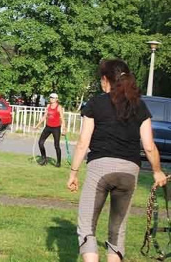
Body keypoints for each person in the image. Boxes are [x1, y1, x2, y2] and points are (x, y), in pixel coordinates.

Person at [67, 59, 167, 262]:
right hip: (129, 173)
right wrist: (157, 171)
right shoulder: (139, 106)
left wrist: (74, 172)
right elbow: (148, 145)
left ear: (105, 80)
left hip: (100, 170)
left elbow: (83, 142)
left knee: (87, 227)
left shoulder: (96, 103)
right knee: (117, 231)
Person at [34, 93, 66, 167]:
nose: (51, 99)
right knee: (40, 143)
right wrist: (37, 125)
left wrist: (64, 129)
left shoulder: (59, 107)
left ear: (56, 99)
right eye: (50, 97)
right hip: (48, 127)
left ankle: (58, 162)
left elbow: (62, 118)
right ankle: (44, 159)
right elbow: (44, 116)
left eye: (53, 98)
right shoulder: (48, 106)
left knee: (56, 146)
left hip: (56, 128)